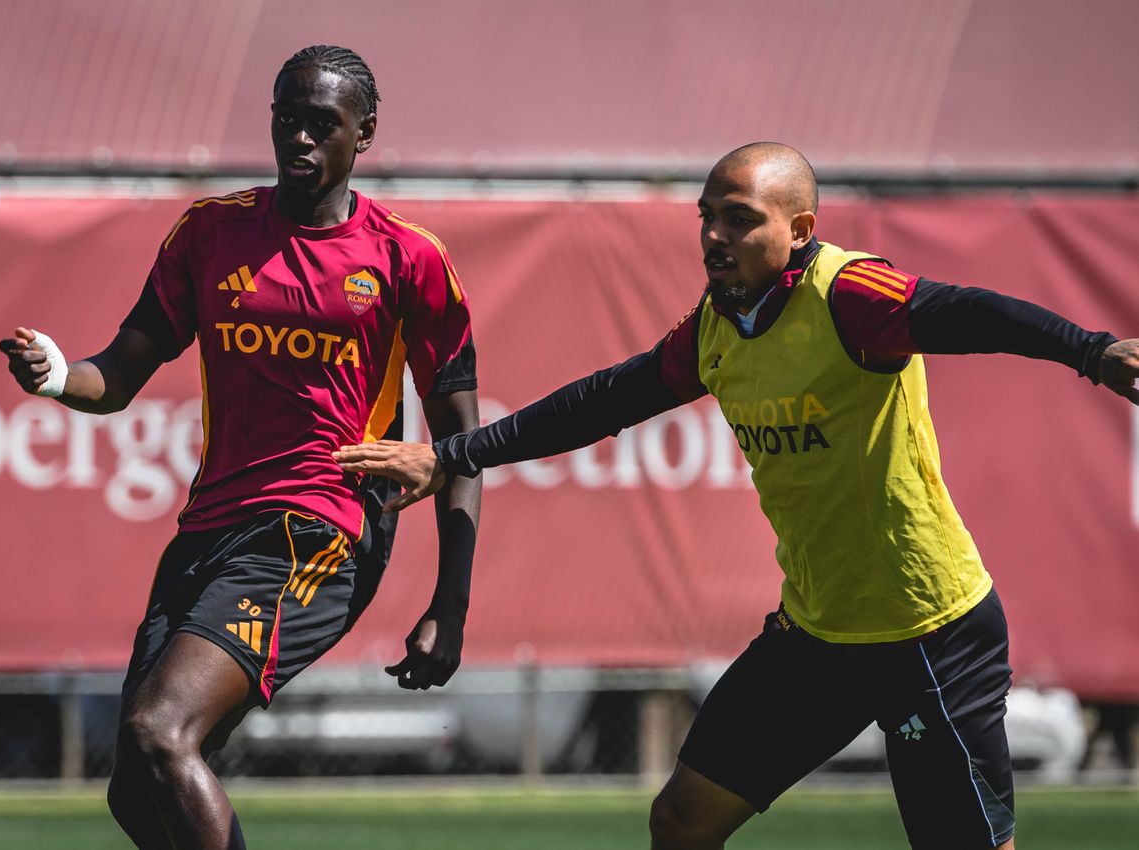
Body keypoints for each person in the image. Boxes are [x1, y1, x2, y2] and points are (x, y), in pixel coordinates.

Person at [335, 142, 1139, 850]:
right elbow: (605, 401)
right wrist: (451, 456)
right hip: (817, 640)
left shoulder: (850, 296)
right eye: (706, 216)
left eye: (741, 219)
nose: (715, 236)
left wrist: (1091, 350)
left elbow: (974, 313)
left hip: (928, 636)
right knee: (682, 822)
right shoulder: (719, 327)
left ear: (800, 229)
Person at [0, 45, 481, 850]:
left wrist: (451, 606)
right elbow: (117, 375)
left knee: (161, 731)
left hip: (317, 528)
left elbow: (463, 441)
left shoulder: (410, 258)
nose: (299, 138)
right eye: (285, 118)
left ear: (364, 134)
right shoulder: (211, 232)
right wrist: (56, 375)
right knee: (136, 786)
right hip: (209, 529)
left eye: (321, 124)